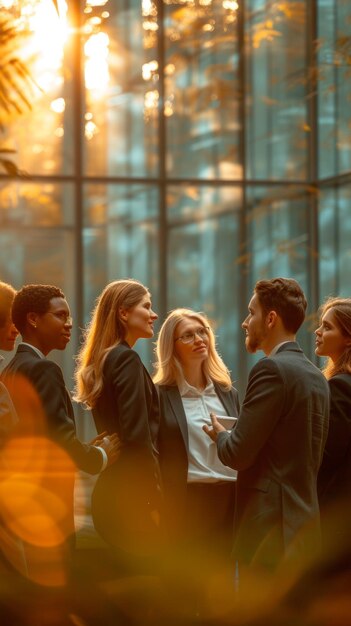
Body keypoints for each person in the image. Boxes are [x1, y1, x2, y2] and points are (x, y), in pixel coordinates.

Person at [204, 277, 330, 575]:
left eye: (251, 313)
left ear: (271, 318)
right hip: (305, 532)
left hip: (268, 536)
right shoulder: (317, 378)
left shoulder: (270, 369)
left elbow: (237, 453)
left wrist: (221, 435)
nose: (246, 323)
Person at [1, 284, 119, 585]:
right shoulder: (43, 369)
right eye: (60, 315)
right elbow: (57, 439)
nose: (69, 323)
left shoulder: (11, 369)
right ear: (33, 319)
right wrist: (101, 455)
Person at [74, 279, 162, 559]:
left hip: (111, 492)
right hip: (131, 498)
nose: (154, 314)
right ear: (124, 313)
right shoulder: (126, 360)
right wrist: (152, 499)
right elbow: (137, 436)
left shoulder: (105, 360)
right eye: (146, 306)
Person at [153, 308, 239, 574]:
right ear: (172, 346)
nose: (199, 339)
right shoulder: (159, 394)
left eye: (203, 332)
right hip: (186, 502)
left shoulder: (228, 392)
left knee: (223, 585)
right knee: (186, 587)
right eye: (188, 335)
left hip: (229, 499)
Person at [315, 297, 351, 531]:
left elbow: (327, 453)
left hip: (335, 510)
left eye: (327, 327)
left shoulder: (341, 386)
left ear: (348, 338)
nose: (318, 332)